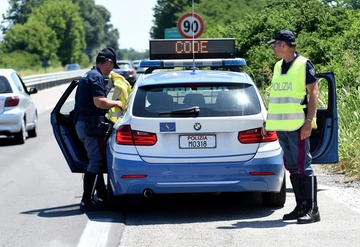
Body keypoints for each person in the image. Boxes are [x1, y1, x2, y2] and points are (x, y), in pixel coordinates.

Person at [263, 30, 320, 224]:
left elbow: (314, 94)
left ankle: (312, 210)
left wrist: (308, 121)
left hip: (297, 125)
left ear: (284, 45)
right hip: (282, 126)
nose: (273, 48)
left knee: (304, 166)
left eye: (275, 44)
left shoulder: (304, 64)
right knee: (293, 167)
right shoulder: (278, 66)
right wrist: (269, 122)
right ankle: (300, 207)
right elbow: (277, 98)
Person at [74, 47, 123, 211]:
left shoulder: (88, 74)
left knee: (96, 160)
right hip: (91, 126)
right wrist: (117, 103)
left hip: (85, 124)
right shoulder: (96, 77)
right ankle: (86, 200)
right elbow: (99, 102)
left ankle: (101, 196)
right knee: (96, 161)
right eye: (112, 66)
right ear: (108, 62)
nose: (111, 71)